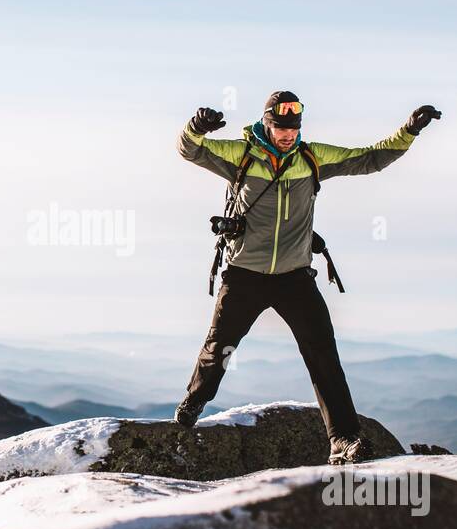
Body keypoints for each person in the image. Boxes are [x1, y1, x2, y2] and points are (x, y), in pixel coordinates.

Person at [175, 90, 441, 463]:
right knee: (219, 350)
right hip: (244, 275)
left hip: (295, 278)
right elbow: (190, 150)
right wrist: (195, 127)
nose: (287, 135)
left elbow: (369, 159)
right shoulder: (241, 154)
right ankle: (192, 404)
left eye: (293, 128)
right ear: (266, 124)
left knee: (323, 354)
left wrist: (409, 131)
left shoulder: (311, 158)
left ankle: (343, 440)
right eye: (280, 128)